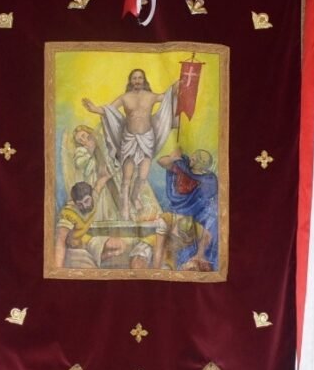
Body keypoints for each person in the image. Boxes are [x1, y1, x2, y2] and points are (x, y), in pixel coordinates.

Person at [82, 69, 177, 222]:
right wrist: (94, 109)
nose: (137, 81)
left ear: (144, 80)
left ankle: (134, 196)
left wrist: (178, 84)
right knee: (127, 177)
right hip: (129, 139)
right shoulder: (125, 97)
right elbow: (108, 110)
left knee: (143, 175)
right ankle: (124, 208)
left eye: (140, 78)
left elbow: (167, 96)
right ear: (130, 81)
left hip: (147, 138)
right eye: (134, 78)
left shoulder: (151, 96)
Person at [154, 148, 219, 272]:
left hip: (195, 211)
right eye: (193, 156)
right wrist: (173, 158)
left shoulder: (207, 178)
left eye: (197, 158)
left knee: (211, 223)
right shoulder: (182, 166)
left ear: (203, 165)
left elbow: (207, 196)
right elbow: (161, 162)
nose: (192, 159)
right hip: (177, 210)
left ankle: (199, 257)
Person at [53, 181, 125, 269]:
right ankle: (94, 259)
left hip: (86, 240)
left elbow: (100, 183)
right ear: (75, 203)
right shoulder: (68, 213)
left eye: (86, 201)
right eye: (80, 204)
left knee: (120, 244)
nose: (84, 206)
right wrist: (58, 269)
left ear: (91, 196)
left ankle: (99, 258)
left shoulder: (94, 198)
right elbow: (60, 241)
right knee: (90, 268)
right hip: (74, 248)